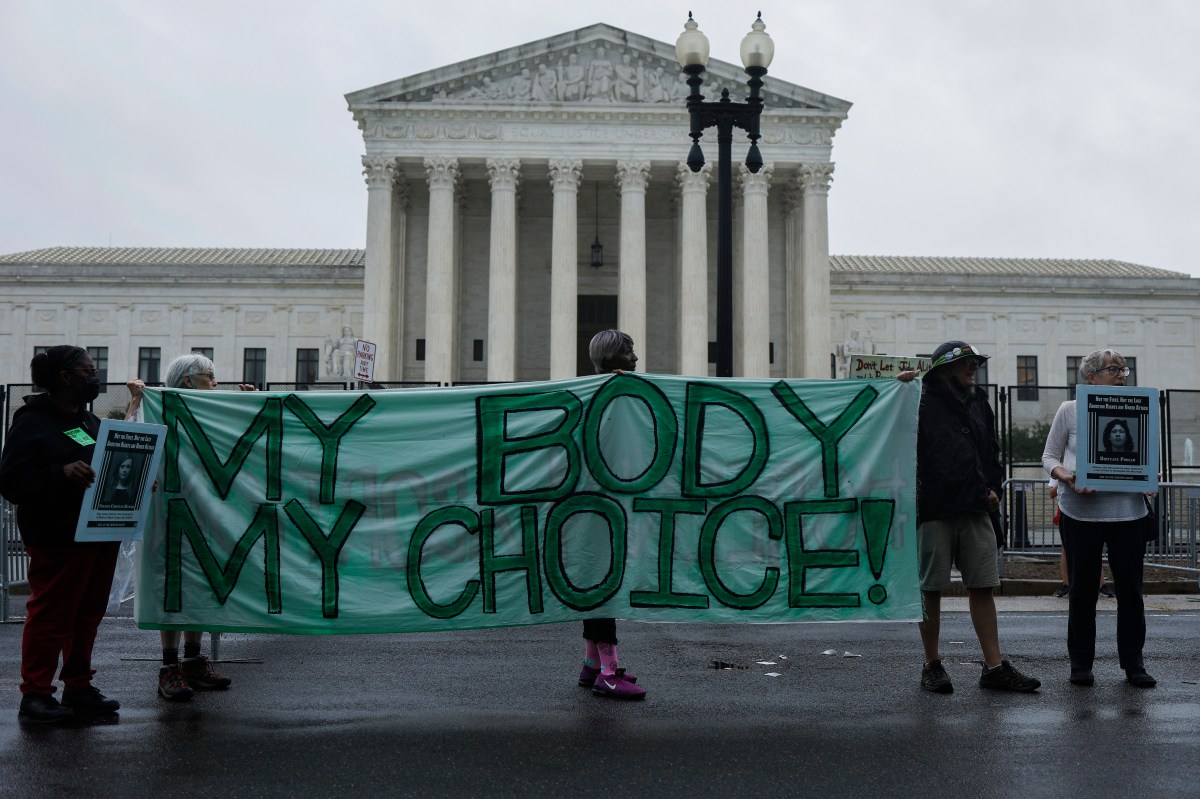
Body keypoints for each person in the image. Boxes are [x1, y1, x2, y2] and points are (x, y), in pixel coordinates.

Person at [0, 345, 121, 722]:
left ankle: (78, 686)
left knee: (87, 613)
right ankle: (35, 694)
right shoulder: (33, 422)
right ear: (65, 378)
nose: (96, 377)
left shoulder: (90, 423)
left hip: (98, 532)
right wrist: (60, 473)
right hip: (57, 535)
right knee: (52, 614)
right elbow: (11, 481)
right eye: (88, 371)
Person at [913, 341, 1040, 694]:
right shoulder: (918, 401)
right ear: (943, 370)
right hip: (935, 507)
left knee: (983, 586)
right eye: (965, 363)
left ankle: (995, 667)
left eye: (974, 362)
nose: (973, 368)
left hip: (975, 506)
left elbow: (991, 452)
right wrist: (898, 385)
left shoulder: (980, 402)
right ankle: (932, 664)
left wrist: (995, 486)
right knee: (931, 588)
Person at [126, 353, 251, 700]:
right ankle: (169, 667)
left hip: (206, 515)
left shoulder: (212, 413)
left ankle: (194, 661)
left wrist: (248, 408)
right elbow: (131, 439)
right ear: (186, 380)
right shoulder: (159, 409)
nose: (215, 382)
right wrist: (137, 400)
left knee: (201, 584)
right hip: (167, 515)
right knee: (171, 586)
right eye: (209, 376)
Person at [1042, 348, 1155, 688]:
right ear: (1091, 377)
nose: (1122, 375)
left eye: (1124, 370)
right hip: (1080, 513)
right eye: (1114, 369)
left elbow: (1147, 458)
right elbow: (1049, 456)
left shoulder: (1140, 408)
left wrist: (1150, 477)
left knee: (1131, 592)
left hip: (1128, 514)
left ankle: (1133, 663)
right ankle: (1081, 664)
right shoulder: (1069, 410)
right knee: (1081, 590)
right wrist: (1066, 476)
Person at [577, 329, 646, 700]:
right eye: (629, 352)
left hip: (593, 507)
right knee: (604, 588)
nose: (635, 358)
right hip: (602, 507)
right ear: (611, 357)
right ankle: (608, 670)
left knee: (595, 585)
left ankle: (591, 664)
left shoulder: (598, 391)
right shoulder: (609, 394)